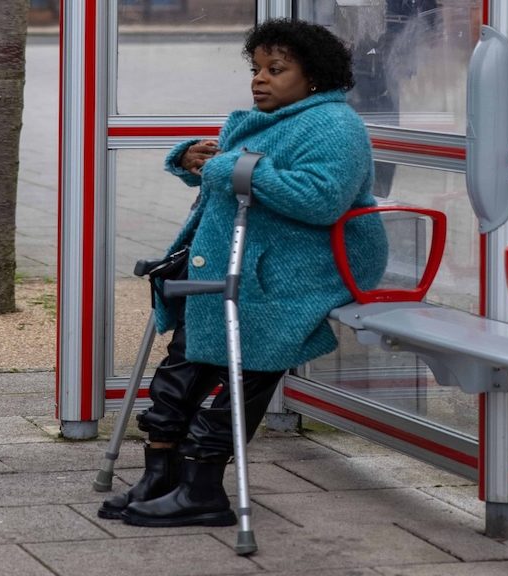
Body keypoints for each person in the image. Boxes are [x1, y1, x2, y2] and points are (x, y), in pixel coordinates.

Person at [98, 18, 388, 528]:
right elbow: (232, 174)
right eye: (257, 69)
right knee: (181, 368)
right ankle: (161, 476)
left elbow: (321, 199)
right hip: (235, 266)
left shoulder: (336, 127)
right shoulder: (268, 119)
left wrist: (230, 167)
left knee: (245, 372)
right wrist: (194, 157)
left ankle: (203, 489)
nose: (260, 79)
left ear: (314, 77)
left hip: (293, 273)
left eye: (276, 70)